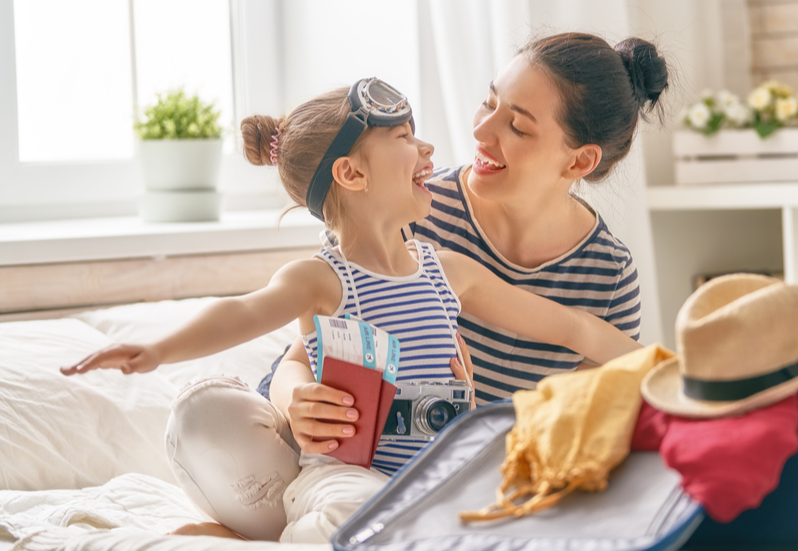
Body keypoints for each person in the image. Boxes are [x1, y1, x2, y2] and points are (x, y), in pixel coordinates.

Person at [60, 76, 645, 542]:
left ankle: (253, 536)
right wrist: (158, 350)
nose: (429, 149)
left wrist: (671, 368)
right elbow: (242, 313)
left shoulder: (449, 271)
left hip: (438, 472)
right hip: (348, 472)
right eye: (405, 139)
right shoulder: (323, 279)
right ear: (351, 173)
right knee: (349, 509)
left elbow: (572, 327)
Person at [266, 33, 671, 458]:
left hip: (474, 468)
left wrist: (470, 426)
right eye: (489, 102)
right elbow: (300, 359)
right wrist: (294, 399)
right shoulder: (409, 209)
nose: (480, 129)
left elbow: (576, 427)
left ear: (579, 161)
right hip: (348, 450)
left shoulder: (608, 276)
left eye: (516, 126)